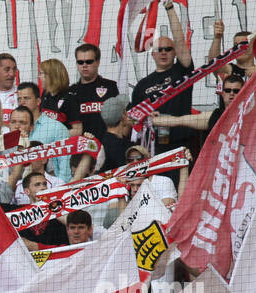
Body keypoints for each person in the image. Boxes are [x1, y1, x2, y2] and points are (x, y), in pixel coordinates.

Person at [129, 7, 195, 154]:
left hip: (179, 142)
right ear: (152, 54)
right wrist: (146, 117)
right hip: (152, 146)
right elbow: (133, 119)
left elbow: (179, 39)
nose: (163, 52)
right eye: (159, 49)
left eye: (168, 49)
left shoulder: (183, 71)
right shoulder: (142, 86)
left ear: (175, 52)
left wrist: (170, 8)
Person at [64, 42, 119, 178]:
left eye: (89, 61)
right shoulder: (71, 92)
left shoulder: (110, 87)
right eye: (80, 62)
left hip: (108, 151)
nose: (84, 65)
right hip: (82, 154)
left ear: (98, 62)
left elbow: (121, 119)